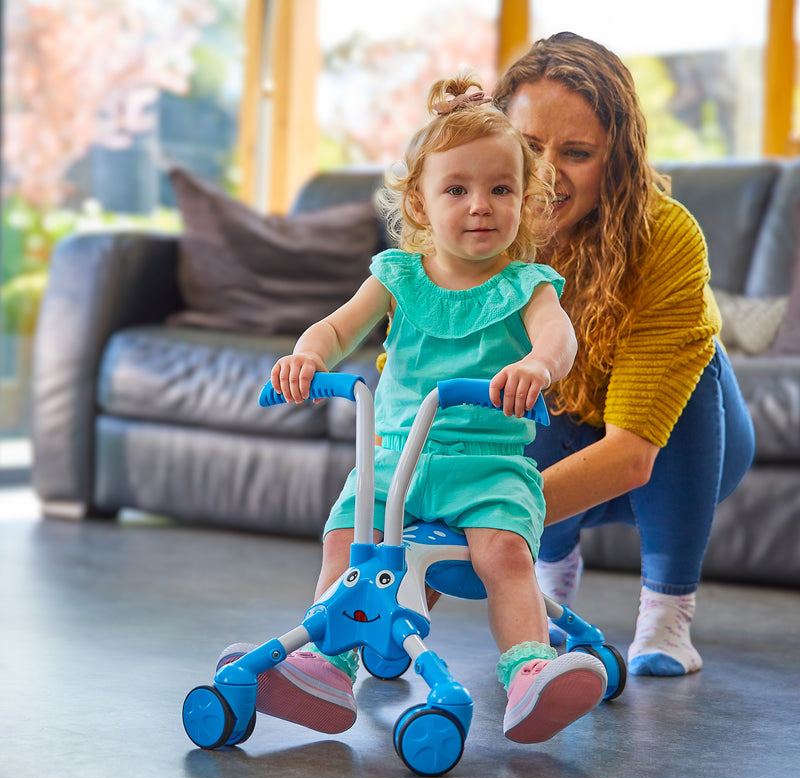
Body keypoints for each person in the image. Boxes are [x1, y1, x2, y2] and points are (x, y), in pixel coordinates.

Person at [218, 70, 609, 743]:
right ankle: (328, 666)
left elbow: (559, 338)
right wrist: (308, 358)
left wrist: (535, 366)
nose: (479, 205)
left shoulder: (526, 284)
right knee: (345, 542)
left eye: (500, 189)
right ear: (422, 205)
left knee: (506, 556)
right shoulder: (396, 275)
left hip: (486, 464)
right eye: (457, 189)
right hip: (394, 461)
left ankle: (527, 673)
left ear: (525, 200)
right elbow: (336, 328)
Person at [491, 32, 755, 676]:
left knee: (697, 363)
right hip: (562, 447)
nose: (544, 174)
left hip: (673, 455)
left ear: (617, 161)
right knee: (515, 390)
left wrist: (493, 523)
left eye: (576, 153)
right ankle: (546, 586)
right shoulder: (474, 227)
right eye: (527, 148)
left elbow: (634, 452)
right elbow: (419, 385)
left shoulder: (666, 236)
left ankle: (667, 618)